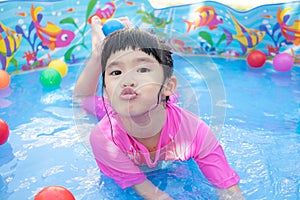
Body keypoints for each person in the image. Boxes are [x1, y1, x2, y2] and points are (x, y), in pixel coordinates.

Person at [74, 16, 244, 200]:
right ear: (106, 91)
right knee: (81, 100)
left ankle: (130, 38)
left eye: (142, 70)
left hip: (161, 101)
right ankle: (99, 51)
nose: (127, 80)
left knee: (161, 97)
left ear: (168, 86)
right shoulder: (104, 139)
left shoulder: (195, 132)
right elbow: (149, 192)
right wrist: (101, 55)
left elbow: (229, 191)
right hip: (129, 104)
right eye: (116, 72)